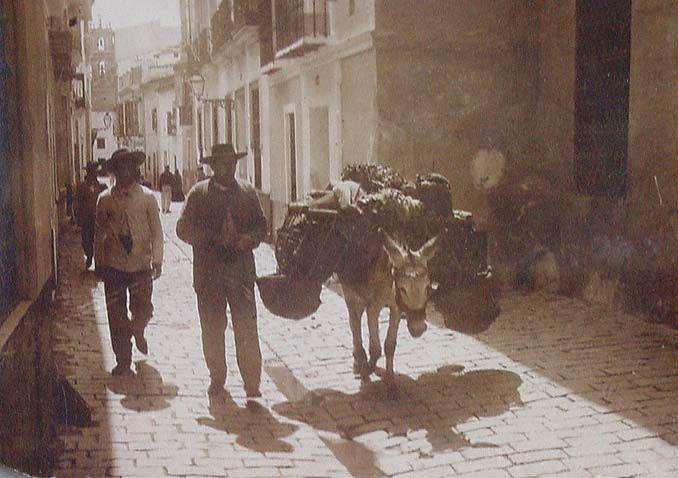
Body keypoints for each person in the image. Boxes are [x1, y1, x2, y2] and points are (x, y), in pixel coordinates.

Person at [176, 143, 267, 397]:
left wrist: (248, 239)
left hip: (240, 273)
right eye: (222, 164)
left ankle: (252, 382)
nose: (228, 168)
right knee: (212, 328)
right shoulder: (198, 194)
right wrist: (212, 238)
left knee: (246, 326)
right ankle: (217, 376)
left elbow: (262, 226)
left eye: (232, 163)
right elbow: (182, 228)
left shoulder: (248, 193)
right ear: (213, 167)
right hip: (209, 274)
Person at [95, 149, 164, 376]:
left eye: (129, 168)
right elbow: (99, 234)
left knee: (142, 309)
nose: (125, 173)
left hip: (141, 265)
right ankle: (123, 359)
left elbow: (157, 232)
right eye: (120, 168)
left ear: (135, 170)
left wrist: (157, 260)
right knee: (116, 314)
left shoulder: (147, 198)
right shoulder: (105, 200)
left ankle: (138, 330)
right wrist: (100, 263)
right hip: (114, 265)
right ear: (114, 172)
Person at [75, 162, 107, 270]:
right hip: (86, 218)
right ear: (88, 173)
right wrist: (78, 217)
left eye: (95, 173)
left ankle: (99, 264)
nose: (93, 175)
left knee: (99, 241)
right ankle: (89, 255)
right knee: (86, 240)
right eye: (91, 173)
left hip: (99, 218)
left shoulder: (102, 187)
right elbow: (78, 203)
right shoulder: (82, 186)